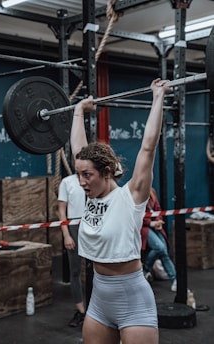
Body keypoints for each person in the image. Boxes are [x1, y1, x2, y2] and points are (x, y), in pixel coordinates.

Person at [70, 78, 172, 344]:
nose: (81, 182)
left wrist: (158, 97)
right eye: (79, 175)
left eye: (87, 175)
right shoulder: (90, 193)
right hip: (100, 300)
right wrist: (79, 110)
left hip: (133, 301)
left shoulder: (130, 197)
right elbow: (78, 152)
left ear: (105, 172)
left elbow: (148, 148)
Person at [58, 174, 86, 327]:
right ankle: (80, 311)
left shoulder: (96, 178)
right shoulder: (67, 182)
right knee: (74, 270)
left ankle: (99, 311)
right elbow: (61, 210)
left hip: (93, 225)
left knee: (98, 269)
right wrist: (66, 235)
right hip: (74, 227)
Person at [141, 187, 177, 292]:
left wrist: (158, 221)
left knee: (164, 251)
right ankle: (146, 269)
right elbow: (135, 214)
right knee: (160, 248)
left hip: (154, 226)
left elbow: (157, 209)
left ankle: (175, 280)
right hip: (142, 227)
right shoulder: (135, 192)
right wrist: (150, 223)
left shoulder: (151, 191)